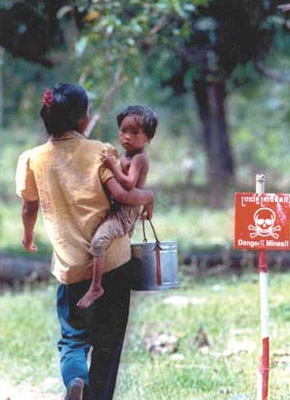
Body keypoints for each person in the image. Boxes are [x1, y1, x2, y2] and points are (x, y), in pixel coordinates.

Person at [15, 83, 154, 400]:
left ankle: (75, 379)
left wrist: (27, 234)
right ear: (82, 120)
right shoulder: (101, 152)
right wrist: (148, 196)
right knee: (108, 344)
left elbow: (29, 205)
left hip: (70, 266)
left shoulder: (32, 159)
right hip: (114, 262)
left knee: (73, 339)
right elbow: (123, 194)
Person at [77, 105, 158, 309]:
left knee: (99, 242)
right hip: (123, 206)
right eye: (123, 131)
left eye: (135, 132)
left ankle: (96, 287)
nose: (127, 137)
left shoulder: (139, 158)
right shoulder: (126, 156)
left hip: (126, 211)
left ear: (148, 138)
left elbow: (129, 184)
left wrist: (113, 167)